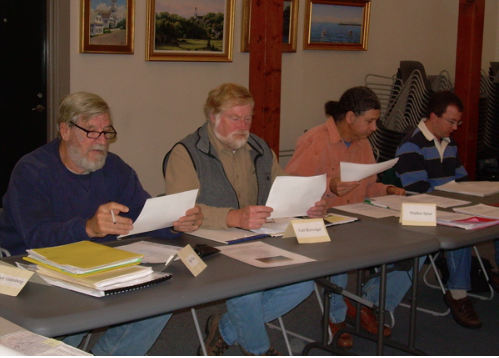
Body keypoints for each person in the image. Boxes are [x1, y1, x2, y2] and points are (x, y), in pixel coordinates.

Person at [0, 92, 204, 355]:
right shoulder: (32, 170)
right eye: (91, 131)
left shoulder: (114, 169)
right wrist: (88, 228)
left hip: (98, 266)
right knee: (74, 321)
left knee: (160, 301)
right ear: (65, 130)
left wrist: (176, 222)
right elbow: (37, 237)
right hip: (35, 268)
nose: (101, 141)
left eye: (106, 132)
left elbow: (142, 214)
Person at [163, 83, 326, 356]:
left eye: (248, 118)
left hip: (256, 239)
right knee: (248, 288)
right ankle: (259, 350)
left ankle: (224, 328)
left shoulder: (259, 148)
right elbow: (181, 212)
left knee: (303, 283)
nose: (243, 125)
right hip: (205, 244)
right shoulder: (186, 152)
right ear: (213, 117)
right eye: (234, 118)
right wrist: (232, 217)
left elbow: (284, 189)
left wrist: (308, 205)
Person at [286, 86, 414, 348]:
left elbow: (368, 189)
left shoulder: (362, 144)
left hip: (355, 219)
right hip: (320, 221)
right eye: (370, 121)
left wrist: (388, 190)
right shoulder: (315, 140)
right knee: (340, 253)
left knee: (411, 247)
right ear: (350, 117)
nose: (374, 127)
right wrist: (329, 186)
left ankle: (366, 304)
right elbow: (292, 188)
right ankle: (336, 317)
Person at [395, 90, 485, 329]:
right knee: (460, 230)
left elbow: (463, 181)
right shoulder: (411, 144)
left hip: (447, 206)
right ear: (434, 116)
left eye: (458, 122)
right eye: (452, 122)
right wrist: (454, 197)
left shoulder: (449, 143)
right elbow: (417, 190)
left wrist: (468, 197)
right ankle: (458, 295)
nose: (455, 128)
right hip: (419, 212)